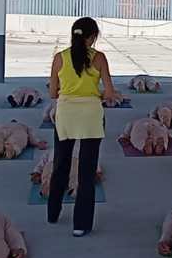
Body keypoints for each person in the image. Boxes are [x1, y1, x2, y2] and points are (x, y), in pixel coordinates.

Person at [48, 17, 123, 236]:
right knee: (87, 170)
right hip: (91, 115)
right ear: (93, 37)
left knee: (60, 163)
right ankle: (80, 225)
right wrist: (96, 94)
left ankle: (53, 213)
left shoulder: (59, 58)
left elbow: (53, 93)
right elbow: (109, 93)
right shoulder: (99, 58)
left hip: (66, 115)